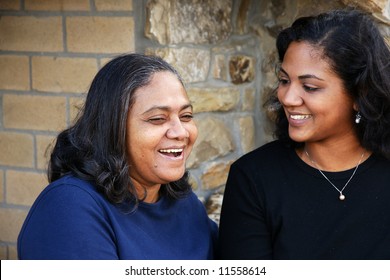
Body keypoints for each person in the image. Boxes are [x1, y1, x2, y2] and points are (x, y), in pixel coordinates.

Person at [218, 9, 390, 259]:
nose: (287, 98)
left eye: (310, 87)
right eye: (284, 80)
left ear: (359, 93)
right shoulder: (253, 178)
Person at [18, 53, 218, 260]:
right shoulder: (69, 207)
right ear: (113, 127)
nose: (181, 132)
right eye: (158, 119)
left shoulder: (182, 201)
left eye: (186, 116)